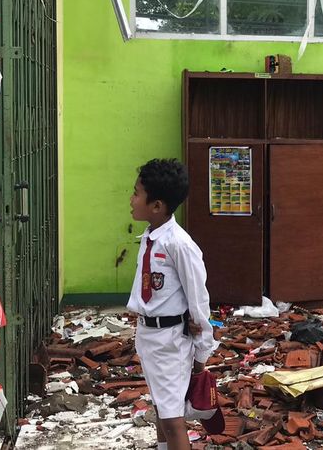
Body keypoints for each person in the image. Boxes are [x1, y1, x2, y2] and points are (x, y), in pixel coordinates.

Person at [127, 158, 215, 450]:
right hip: (149, 337)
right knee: (162, 412)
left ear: (157, 205)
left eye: (137, 193)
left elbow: (198, 298)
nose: (131, 198)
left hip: (171, 341)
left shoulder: (179, 244)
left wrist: (202, 352)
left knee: (173, 420)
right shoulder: (150, 237)